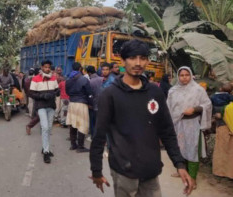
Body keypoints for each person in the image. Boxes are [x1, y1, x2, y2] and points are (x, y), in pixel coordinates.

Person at [90, 40, 194, 196]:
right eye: (132, 58)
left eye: (142, 58)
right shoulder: (110, 94)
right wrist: (96, 171)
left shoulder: (154, 92)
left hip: (150, 170)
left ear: (147, 61)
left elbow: (166, 130)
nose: (138, 63)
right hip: (123, 170)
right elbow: (99, 135)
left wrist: (179, 164)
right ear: (123, 61)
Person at [167, 66, 212, 189]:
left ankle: (192, 178)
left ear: (191, 75)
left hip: (192, 125)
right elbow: (169, 108)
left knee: (192, 151)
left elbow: (207, 104)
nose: (184, 77)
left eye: (187, 75)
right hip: (177, 124)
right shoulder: (173, 91)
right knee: (179, 149)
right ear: (178, 76)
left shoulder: (198, 90)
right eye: (181, 75)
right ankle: (181, 171)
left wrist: (195, 109)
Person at [29, 60, 59, 163]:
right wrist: (42, 96)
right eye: (45, 67)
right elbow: (32, 94)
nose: (47, 69)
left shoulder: (54, 78)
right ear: (42, 67)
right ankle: (46, 152)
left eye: (48, 67)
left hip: (51, 106)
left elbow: (56, 90)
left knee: (49, 128)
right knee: (45, 127)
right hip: (41, 106)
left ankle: (45, 147)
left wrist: (56, 92)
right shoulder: (35, 79)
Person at [66, 62, 93, 153]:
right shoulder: (84, 79)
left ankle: (73, 145)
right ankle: (80, 146)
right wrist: (91, 103)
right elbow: (89, 93)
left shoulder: (68, 80)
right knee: (82, 124)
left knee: (73, 124)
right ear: (80, 68)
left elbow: (67, 92)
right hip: (81, 104)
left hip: (72, 103)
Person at [86, 65, 103, 140]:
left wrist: (89, 104)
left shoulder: (90, 82)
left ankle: (94, 136)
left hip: (93, 105)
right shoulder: (102, 79)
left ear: (89, 73)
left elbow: (89, 95)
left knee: (93, 122)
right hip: (103, 104)